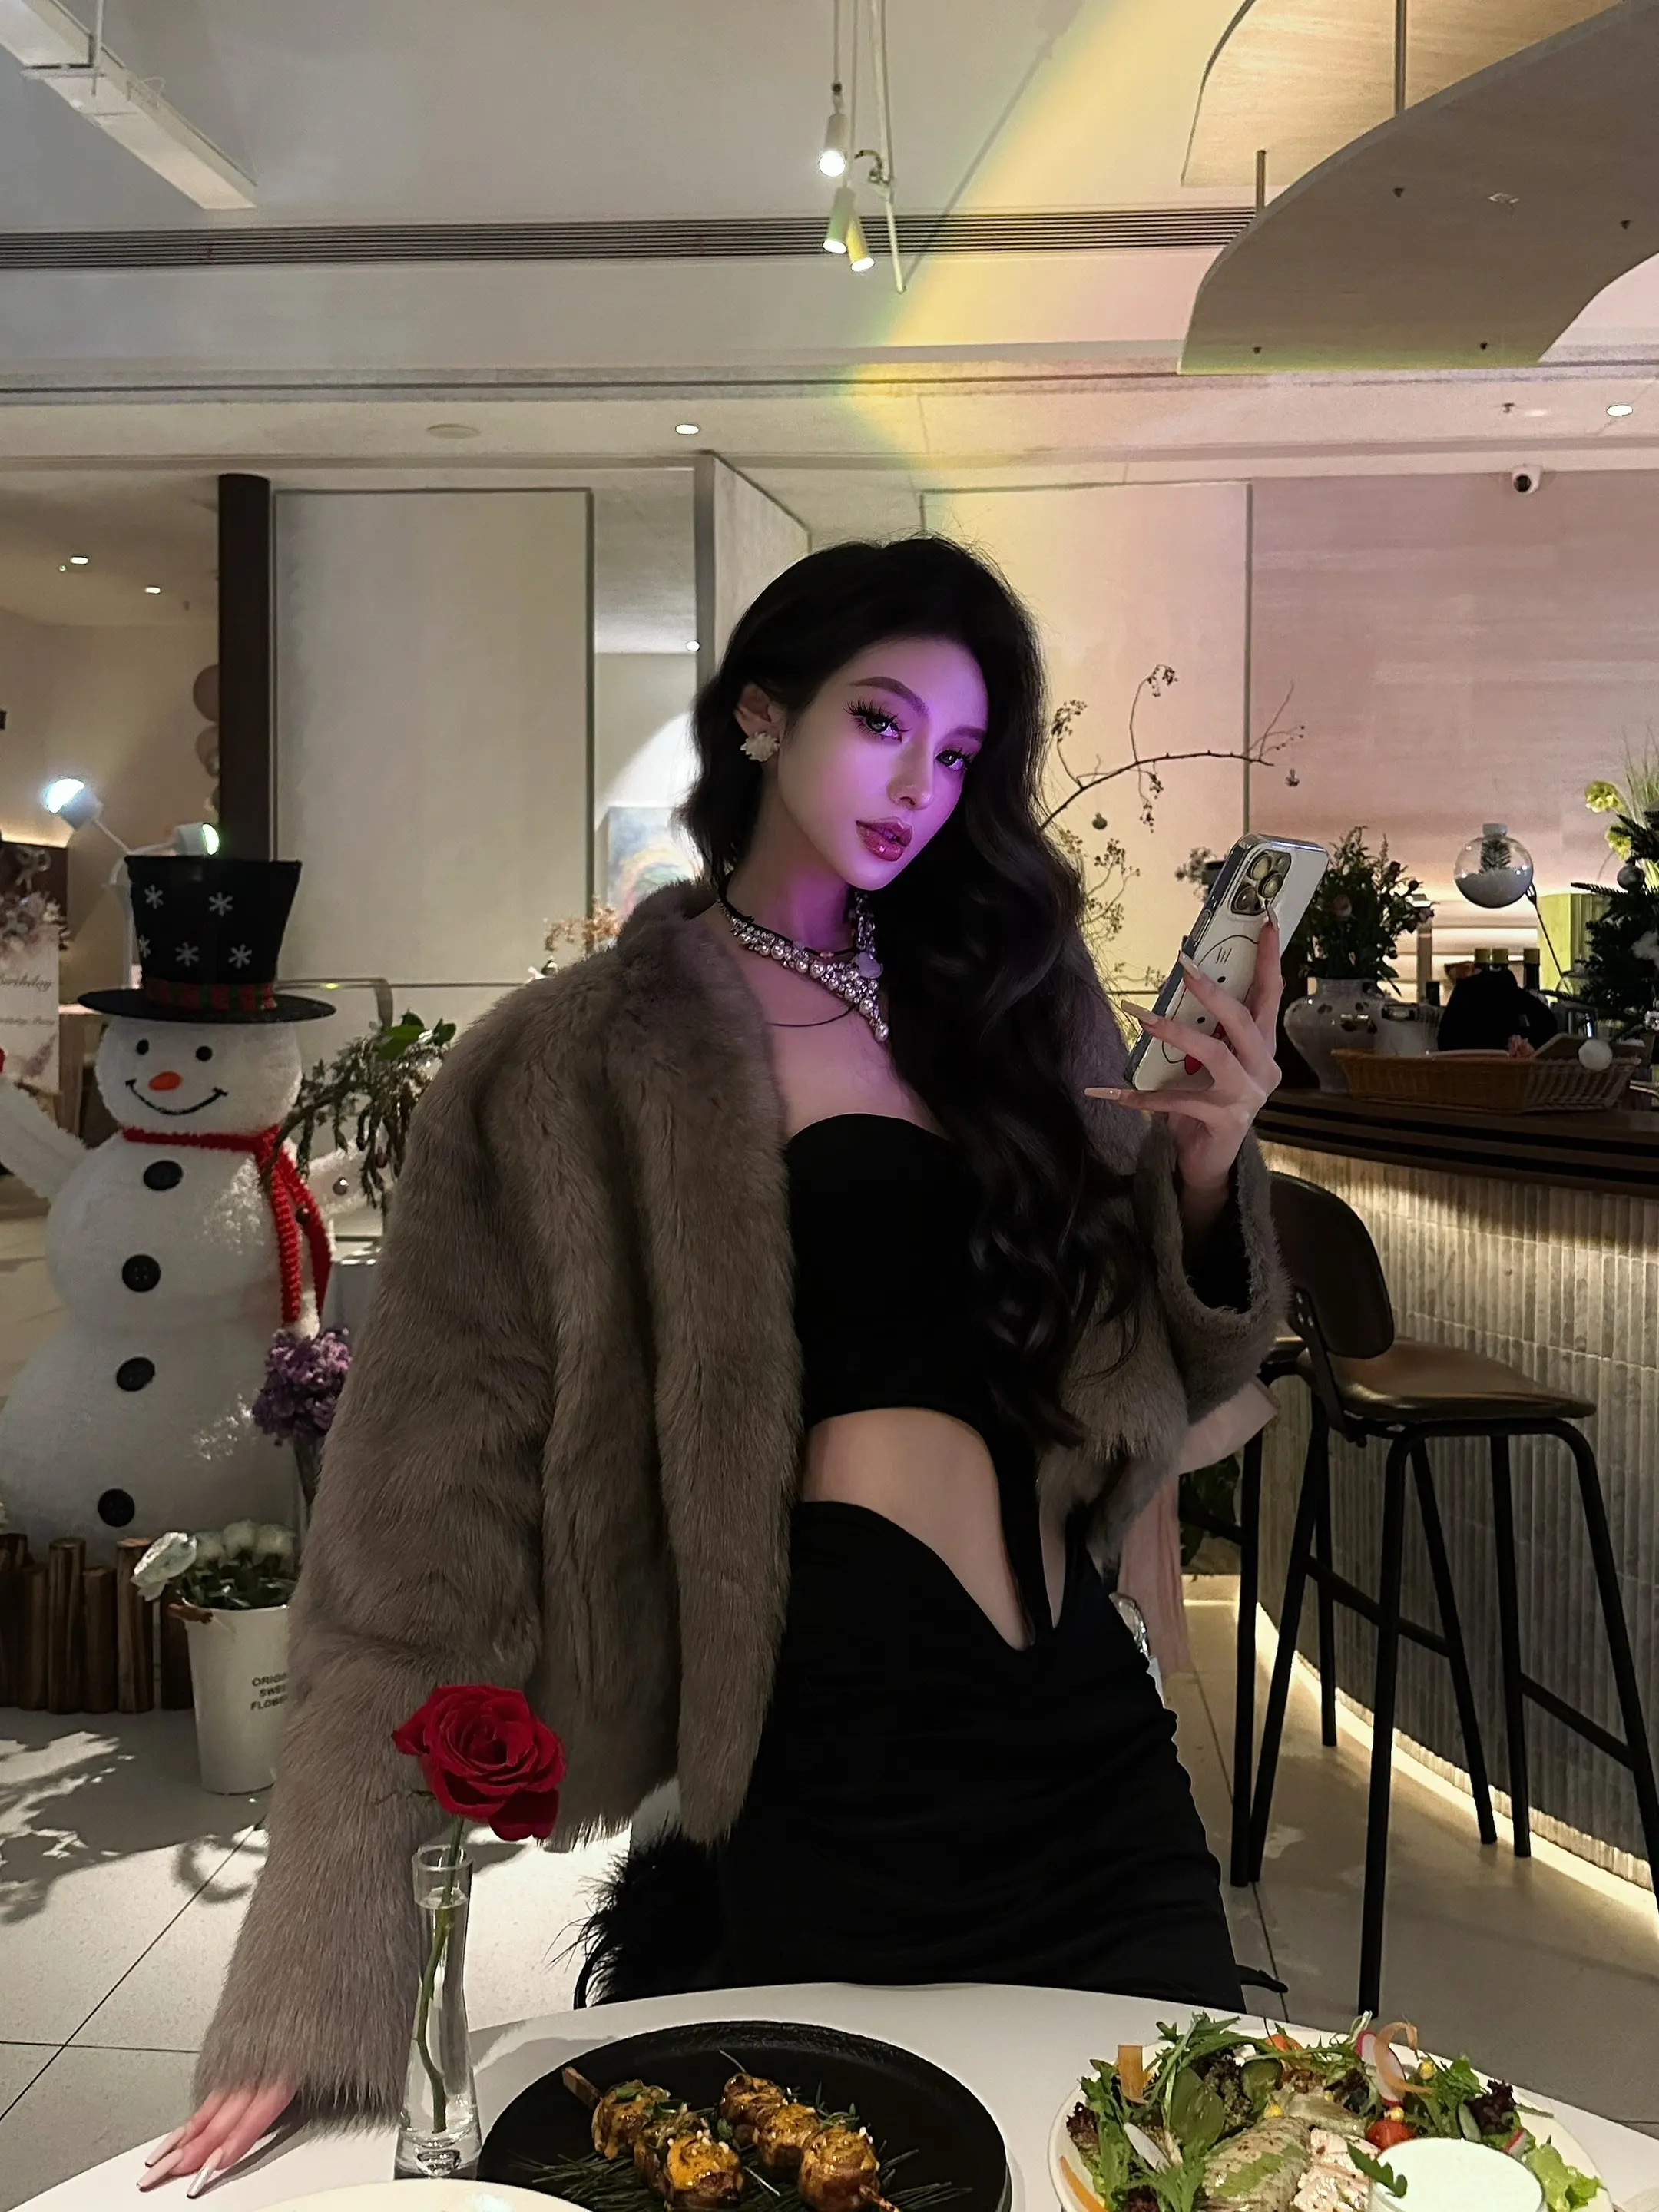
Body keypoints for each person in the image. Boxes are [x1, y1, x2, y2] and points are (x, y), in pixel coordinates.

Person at [144, 537, 1285, 2189]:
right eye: (880, 721)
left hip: (1085, 1738)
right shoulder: (564, 1068)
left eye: (959, 751)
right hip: (835, 1751)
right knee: (900, 2173)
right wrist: (313, 1987)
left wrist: (1207, 1172)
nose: (919, 785)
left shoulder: (1020, 1012)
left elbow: (1156, 1383)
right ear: (761, 712)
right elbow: (415, 1540)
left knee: (1193, 2164)